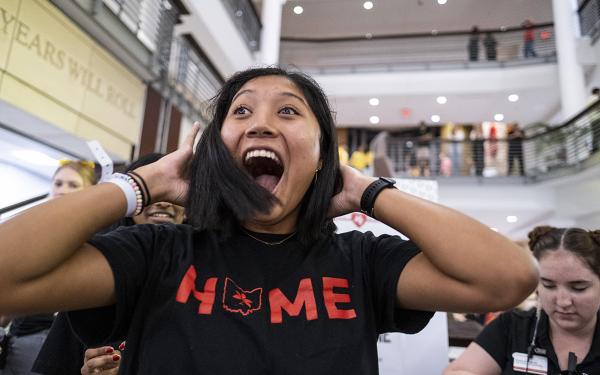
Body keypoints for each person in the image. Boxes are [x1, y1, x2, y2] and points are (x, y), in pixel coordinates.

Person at [0, 67, 538, 374]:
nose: (261, 124)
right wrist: (143, 184)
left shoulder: (361, 263)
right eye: (241, 111)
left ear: (322, 153)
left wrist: (365, 190)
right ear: (215, 150)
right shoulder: (158, 254)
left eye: (287, 111)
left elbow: (507, 277)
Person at [30, 154, 185, 375]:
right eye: (155, 190)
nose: (162, 200)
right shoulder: (99, 270)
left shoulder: (212, 273)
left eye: (175, 188)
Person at [445, 226, 600, 375]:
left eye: (578, 288)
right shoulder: (512, 326)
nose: (563, 302)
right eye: (549, 285)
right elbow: (458, 371)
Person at [0, 160, 97, 375]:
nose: (62, 190)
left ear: (90, 191)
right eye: (58, 183)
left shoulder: (94, 235)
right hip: (17, 336)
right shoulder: (37, 230)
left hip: (56, 338)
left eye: (73, 185)